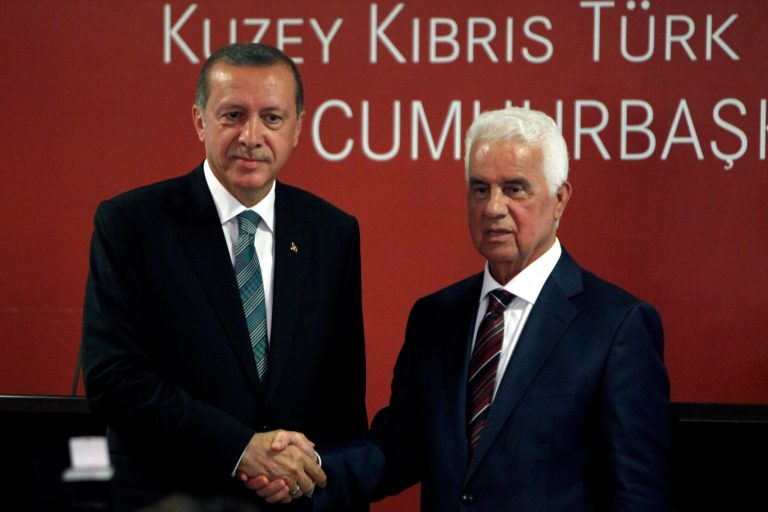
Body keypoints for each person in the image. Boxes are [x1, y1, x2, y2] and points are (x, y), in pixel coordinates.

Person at [266, 107, 670, 511]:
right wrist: (308, 470)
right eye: (480, 188)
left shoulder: (616, 327)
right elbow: (398, 448)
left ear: (560, 198)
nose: (493, 208)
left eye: (515, 189)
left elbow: (638, 496)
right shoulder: (435, 318)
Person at [81, 43, 367, 512]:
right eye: (233, 115)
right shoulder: (133, 223)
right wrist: (240, 450)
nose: (251, 136)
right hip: (169, 499)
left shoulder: (332, 233)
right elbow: (115, 379)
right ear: (200, 121)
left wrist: (309, 468)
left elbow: (342, 401)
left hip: (292, 504)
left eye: (272, 118)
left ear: (298, 127)